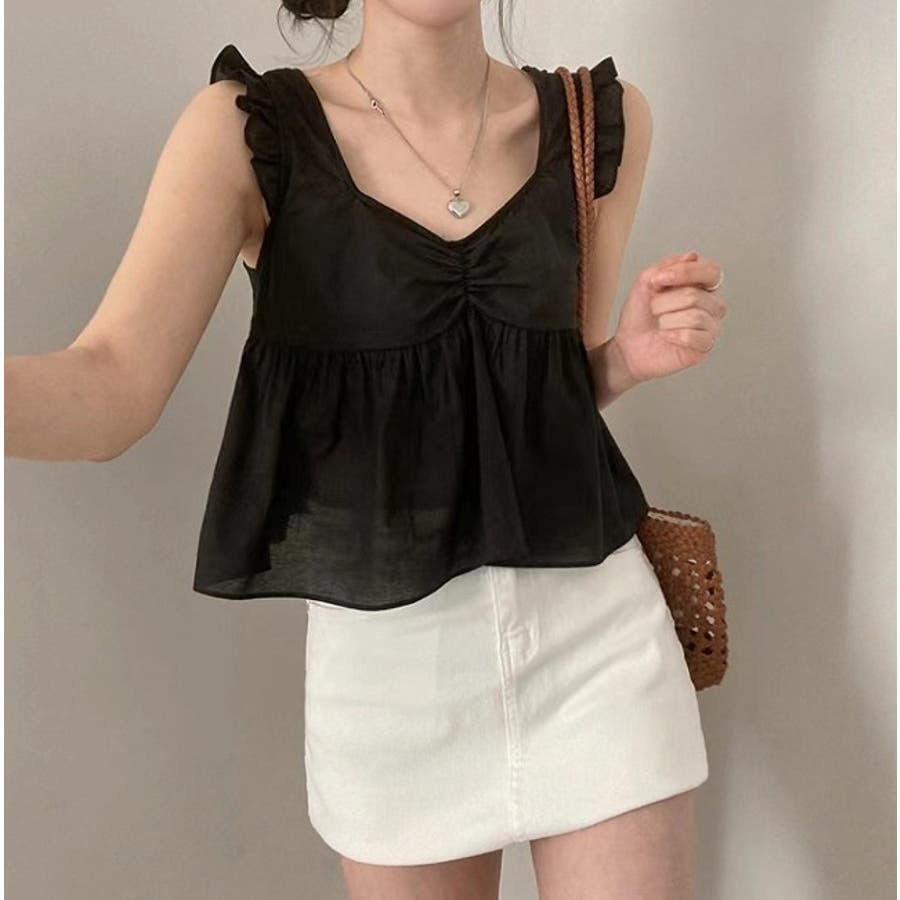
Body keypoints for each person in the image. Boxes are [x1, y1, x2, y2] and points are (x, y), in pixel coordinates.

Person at [6, 0, 727, 897]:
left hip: (600, 651)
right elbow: (114, 385)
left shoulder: (596, 121)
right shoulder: (248, 134)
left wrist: (625, 359)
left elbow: (546, 398)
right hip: (392, 683)